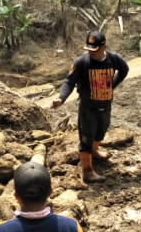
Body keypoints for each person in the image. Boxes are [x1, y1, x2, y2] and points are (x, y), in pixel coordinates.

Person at [51, 31, 129, 183]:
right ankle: (87, 171)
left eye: (94, 50)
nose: (91, 53)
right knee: (86, 138)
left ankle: (94, 152)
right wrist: (61, 98)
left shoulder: (113, 59)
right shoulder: (81, 63)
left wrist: (112, 84)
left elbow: (124, 70)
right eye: (89, 49)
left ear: (103, 46)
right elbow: (69, 82)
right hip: (88, 108)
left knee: (101, 132)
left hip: (105, 105)